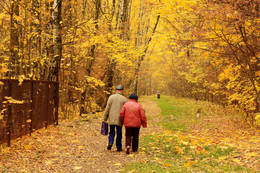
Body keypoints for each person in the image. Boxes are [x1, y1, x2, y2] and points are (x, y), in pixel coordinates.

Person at [103, 85, 127, 152]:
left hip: (112, 117)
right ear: (122, 90)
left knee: (111, 131)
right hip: (120, 118)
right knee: (119, 132)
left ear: (116, 90)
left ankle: (110, 142)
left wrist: (105, 117)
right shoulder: (124, 99)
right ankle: (118, 147)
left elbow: (107, 108)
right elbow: (126, 110)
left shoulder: (111, 97)